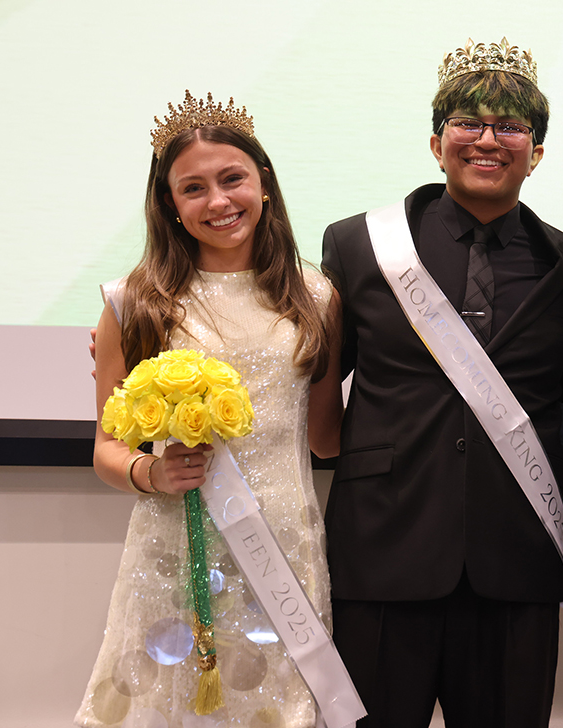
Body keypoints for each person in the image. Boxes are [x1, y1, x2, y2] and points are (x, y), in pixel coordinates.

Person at [320, 39, 563, 728]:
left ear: (536, 151)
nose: (488, 139)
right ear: (436, 141)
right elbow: (313, 380)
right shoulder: (357, 245)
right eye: (467, 123)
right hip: (383, 551)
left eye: (510, 127)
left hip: (517, 564)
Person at [76, 92, 344, 727]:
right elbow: (107, 449)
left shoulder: (316, 297)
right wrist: (151, 473)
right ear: (169, 204)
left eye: (232, 179)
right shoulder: (133, 304)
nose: (218, 201)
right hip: (175, 549)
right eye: (192, 188)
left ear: (264, 183)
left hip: (284, 547)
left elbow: (328, 438)